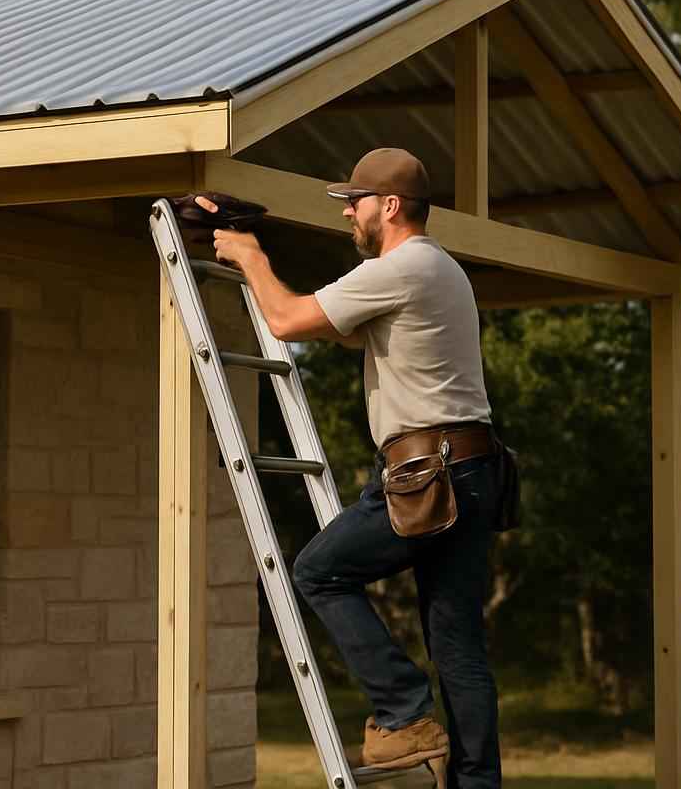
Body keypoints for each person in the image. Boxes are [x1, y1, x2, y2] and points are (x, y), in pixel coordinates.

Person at [197, 147, 501, 789]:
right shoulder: (441, 270)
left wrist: (251, 258)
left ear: (389, 207)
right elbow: (332, 327)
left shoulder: (403, 266)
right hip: (472, 469)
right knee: (460, 648)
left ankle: (403, 710)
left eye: (354, 203)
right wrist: (257, 243)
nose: (347, 216)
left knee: (317, 571)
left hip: (428, 473)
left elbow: (285, 321)